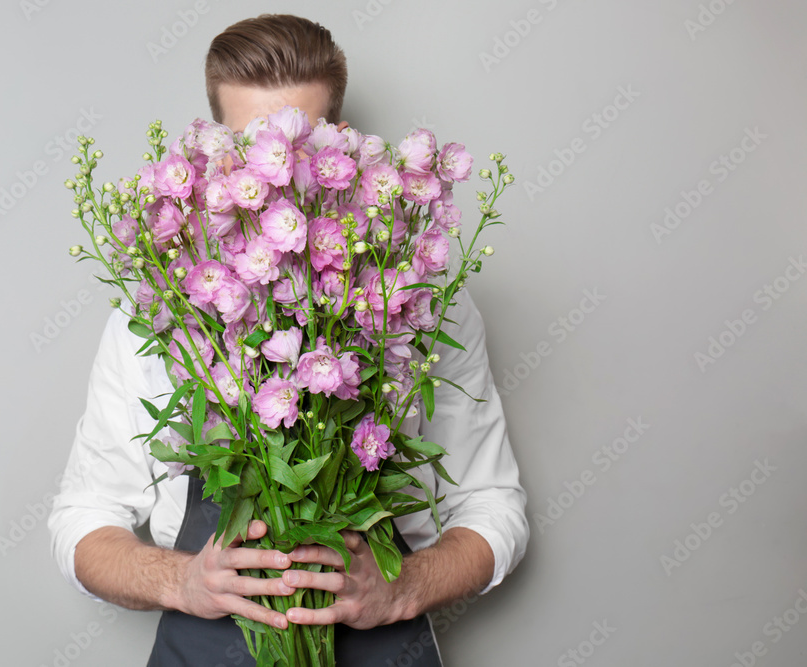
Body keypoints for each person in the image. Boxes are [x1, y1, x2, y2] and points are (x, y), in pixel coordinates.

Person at [48, 13, 529, 666]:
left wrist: (405, 585)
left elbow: (495, 505)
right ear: (214, 156)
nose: (275, 178)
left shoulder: (416, 301)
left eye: (297, 149)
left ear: (341, 146)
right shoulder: (160, 311)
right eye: (249, 147)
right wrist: (182, 580)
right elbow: (83, 517)